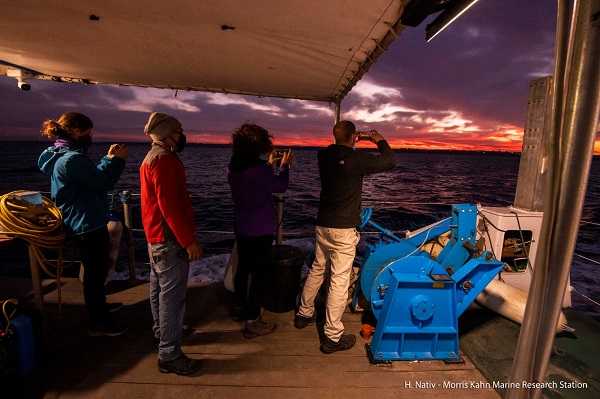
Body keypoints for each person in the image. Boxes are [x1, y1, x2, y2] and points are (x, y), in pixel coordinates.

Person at [294, 120, 396, 353]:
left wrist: (351, 138)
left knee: (318, 268)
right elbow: (390, 161)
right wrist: (377, 138)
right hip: (342, 230)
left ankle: (303, 314)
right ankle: (332, 336)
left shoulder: (324, 156)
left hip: (324, 225)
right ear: (353, 138)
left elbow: (340, 148)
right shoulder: (354, 159)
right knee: (339, 280)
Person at [38, 111, 129, 337]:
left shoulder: (64, 156)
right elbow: (102, 182)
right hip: (86, 224)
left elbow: (92, 178)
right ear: (76, 132)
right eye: (88, 133)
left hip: (81, 221)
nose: (90, 136)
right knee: (94, 274)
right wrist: (117, 161)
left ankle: (98, 307)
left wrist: (108, 158)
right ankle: (99, 323)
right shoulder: (73, 160)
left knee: (94, 272)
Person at [140, 112, 203, 375]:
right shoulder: (164, 160)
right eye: (179, 131)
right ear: (168, 134)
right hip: (169, 240)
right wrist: (188, 241)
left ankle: (162, 333)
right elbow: (168, 205)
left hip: (156, 238)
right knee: (172, 298)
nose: (182, 135)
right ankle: (169, 353)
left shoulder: (150, 158)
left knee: (158, 291)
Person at [227, 123, 293, 338]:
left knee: (243, 268)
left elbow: (257, 178)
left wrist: (269, 165)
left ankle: (238, 308)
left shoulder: (233, 165)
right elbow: (280, 186)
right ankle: (253, 320)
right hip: (260, 230)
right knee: (259, 275)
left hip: (241, 225)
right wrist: (284, 167)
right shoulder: (260, 170)